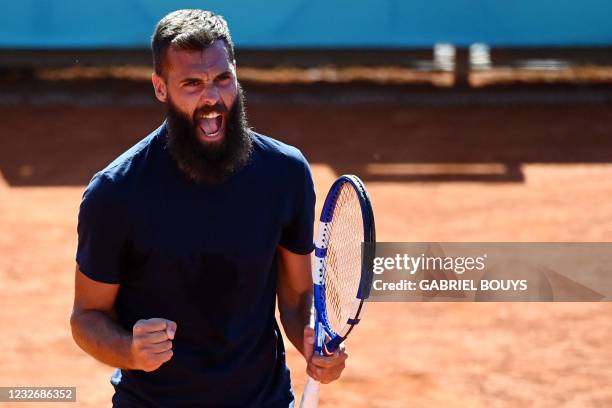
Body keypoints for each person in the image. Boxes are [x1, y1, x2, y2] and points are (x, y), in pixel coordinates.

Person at [70, 9, 347, 407]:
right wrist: (129, 349)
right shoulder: (116, 193)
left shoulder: (285, 173)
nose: (212, 97)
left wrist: (313, 341)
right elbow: (86, 317)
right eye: (192, 84)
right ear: (160, 88)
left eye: (222, 79)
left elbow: (298, 296)